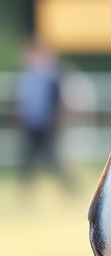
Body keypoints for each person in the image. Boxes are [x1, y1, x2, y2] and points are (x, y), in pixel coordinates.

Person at [15, 38, 73, 190]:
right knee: (29, 160)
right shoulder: (28, 75)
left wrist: (54, 120)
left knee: (51, 160)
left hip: (47, 125)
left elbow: (57, 101)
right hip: (32, 124)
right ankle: (26, 191)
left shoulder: (51, 76)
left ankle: (71, 188)